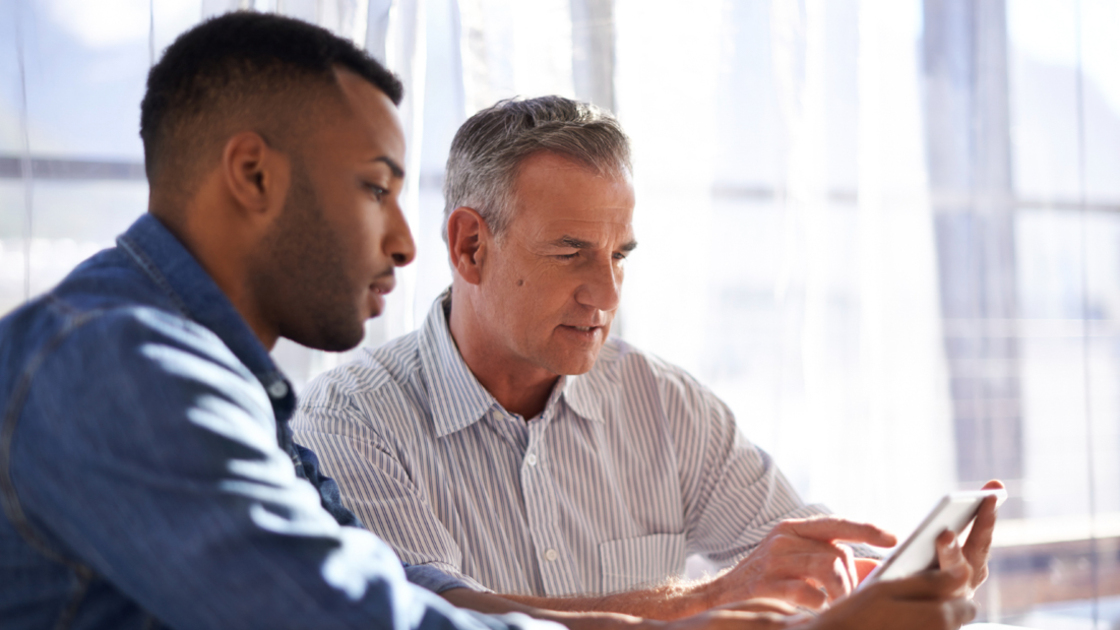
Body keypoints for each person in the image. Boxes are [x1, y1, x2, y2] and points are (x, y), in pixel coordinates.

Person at [0, 11, 982, 630]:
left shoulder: (217, 379)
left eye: (618, 255)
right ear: (253, 176)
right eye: (375, 190)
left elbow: (430, 597)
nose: (400, 242)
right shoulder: (123, 367)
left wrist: (741, 604)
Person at [290, 95, 1004, 621]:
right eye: (571, 252)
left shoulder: (663, 403)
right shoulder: (351, 422)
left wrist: (908, 588)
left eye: (619, 256)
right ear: (470, 246)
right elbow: (446, 618)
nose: (605, 293)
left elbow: (799, 569)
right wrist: (715, 597)